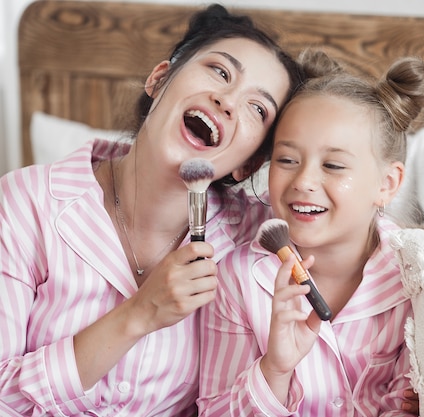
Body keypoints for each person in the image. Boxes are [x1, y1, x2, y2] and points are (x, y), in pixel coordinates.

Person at [0, 5, 305, 415]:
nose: (228, 100)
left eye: (258, 108)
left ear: (248, 164)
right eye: (219, 71)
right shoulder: (27, 202)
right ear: (159, 79)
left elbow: (365, 236)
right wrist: (140, 314)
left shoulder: (256, 236)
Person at [197, 49, 424, 415]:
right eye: (287, 160)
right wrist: (275, 370)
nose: (304, 181)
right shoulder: (239, 278)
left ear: (387, 184)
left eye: (333, 165)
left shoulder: (417, 279)